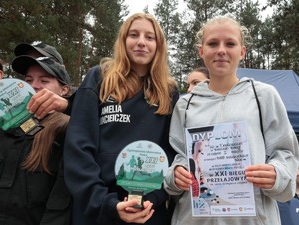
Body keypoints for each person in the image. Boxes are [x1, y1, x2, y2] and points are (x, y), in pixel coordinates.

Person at [163, 15, 299, 225]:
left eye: (230, 44)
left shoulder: (263, 95)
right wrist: (176, 175)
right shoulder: (186, 104)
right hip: (194, 218)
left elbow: (286, 151)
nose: (221, 50)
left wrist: (277, 174)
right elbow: (178, 156)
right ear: (201, 51)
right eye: (213, 43)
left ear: (242, 52)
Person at [63, 13, 179, 225]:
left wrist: (152, 199)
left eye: (149, 37)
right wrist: (103, 202)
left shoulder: (169, 91)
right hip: (98, 208)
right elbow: (78, 147)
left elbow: (172, 151)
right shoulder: (100, 78)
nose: (141, 42)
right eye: (134, 35)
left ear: (159, 45)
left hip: (148, 211)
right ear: (123, 40)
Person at [0, 55, 72, 225]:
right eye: (28, 79)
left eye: (44, 81)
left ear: (64, 90)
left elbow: (59, 207)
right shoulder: (7, 126)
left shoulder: (67, 132)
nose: (33, 86)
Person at [14, 41, 70, 120]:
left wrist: (67, 107)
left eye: (42, 58)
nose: (33, 85)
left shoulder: (76, 117)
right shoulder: (14, 118)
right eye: (29, 80)